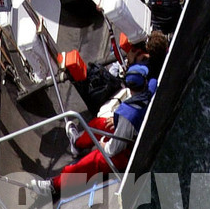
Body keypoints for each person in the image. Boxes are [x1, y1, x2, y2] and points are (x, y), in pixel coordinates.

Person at [51, 60, 157, 193]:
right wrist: (118, 120)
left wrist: (103, 145)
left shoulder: (128, 115)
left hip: (133, 151)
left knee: (95, 160)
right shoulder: (153, 85)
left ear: (128, 87)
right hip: (141, 131)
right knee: (100, 124)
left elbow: (113, 149)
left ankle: (55, 185)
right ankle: (78, 143)